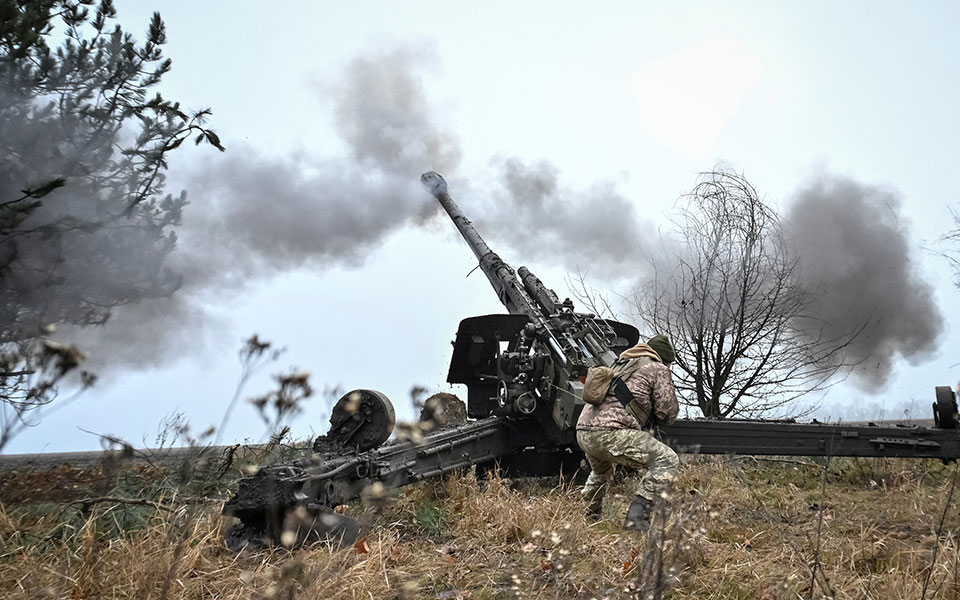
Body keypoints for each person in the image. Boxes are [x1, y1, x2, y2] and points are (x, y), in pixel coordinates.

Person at [576, 334, 680, 531]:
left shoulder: (621, 364)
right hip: (610, 433)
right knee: (667, 460)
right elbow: (667, 413)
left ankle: (588, 513)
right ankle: (637, 519)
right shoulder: (657, 368)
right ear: (665, 360)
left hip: (584, 432)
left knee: (601, 471)